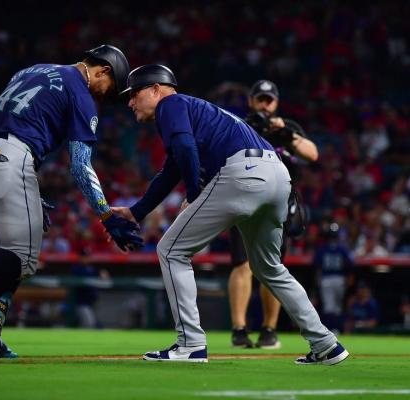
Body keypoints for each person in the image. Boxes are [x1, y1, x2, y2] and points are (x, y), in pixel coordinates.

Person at [0, 45, 143, 359]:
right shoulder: (81, 92)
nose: (105, 95)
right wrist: (106, 214)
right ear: (102, 70)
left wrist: (30, 193)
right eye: (110, 86)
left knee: (10, 253)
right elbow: (80, 165)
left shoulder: (32, 69)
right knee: (22, 260)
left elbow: (19, 117)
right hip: (10, 159)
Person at [113, 64, 348, 365]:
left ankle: (190, 344)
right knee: (269, 268)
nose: (131, 101)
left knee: (171, 250)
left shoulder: (170, 104)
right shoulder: (198, 111)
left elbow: (185, 149)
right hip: (277, 176)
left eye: (134, 93)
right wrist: (136, 212)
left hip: (243, 174)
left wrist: (194, 194)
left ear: (156, 89)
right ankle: (326, 343)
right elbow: (172, 168)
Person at [228, 80, 319, 349]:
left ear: (276, 102)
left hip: (278, 206)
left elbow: (312, 154)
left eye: (269, 99)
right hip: (242, 201)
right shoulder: (240, 125)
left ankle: (269, 329)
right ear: (251, 101)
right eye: (261, 99)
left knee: (271, 267)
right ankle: (239, 329)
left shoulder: (286, 130)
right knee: (241, 265)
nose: (265, 104)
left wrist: (287, 132)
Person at [312, 222, 354, 333]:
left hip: (326, 279)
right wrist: (349, 277)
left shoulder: (322, 248)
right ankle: (336, 329)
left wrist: (318, 280)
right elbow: (350, 264)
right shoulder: (343, 248)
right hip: (340, 279)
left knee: (329, 307)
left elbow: (317, 266)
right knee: (338, 307)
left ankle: (329, 330)